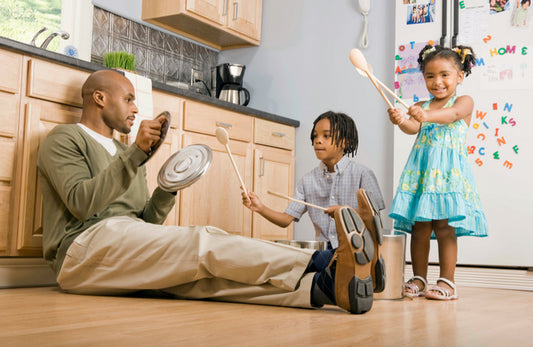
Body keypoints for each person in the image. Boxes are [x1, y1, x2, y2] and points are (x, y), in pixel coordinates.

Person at [36, 69, 380, 314]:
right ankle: (325, 261)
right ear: (99, 98)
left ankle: (324, 288)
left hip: (121, 244)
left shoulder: (129, 154)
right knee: (201, 242)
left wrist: (167, 189)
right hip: (80, 253)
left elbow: (144, 223)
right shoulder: (64, 139)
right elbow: (82, 205)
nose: (136, 108)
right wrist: (136, 155)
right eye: (128, 99)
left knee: (205, 281)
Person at [241, 111, 386, 292]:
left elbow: (375, 220)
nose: (318, 141)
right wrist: (260, 207)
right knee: (296, 258)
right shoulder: (307, 180)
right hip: (324, 252)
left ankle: (336, 278)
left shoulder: (363, 174)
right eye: (315, 136)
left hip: (355, 249)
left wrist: (345, 213)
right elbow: (286, 220)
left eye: (326, 136)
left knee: (306, 265)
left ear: (346, 142)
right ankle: (341, 283)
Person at [387, 44, 488, 301]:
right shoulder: (423, 105)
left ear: (460, 76)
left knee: (444, 228)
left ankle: (448, 281)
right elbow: (413, 127)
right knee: (419, 227)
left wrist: (425, 114)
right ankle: (419, 278)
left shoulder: (464, 102)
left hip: (447, 175)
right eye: (430, 76)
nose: (437, 81)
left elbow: (451, 115)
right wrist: (401, 120)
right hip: (423, 174)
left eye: (445, 74)